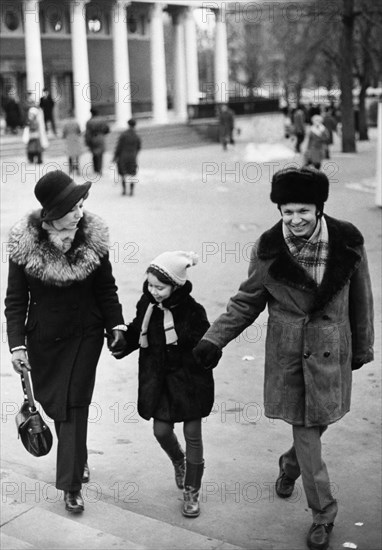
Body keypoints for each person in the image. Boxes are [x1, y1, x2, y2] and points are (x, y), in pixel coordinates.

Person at [193, 167, 374, 550]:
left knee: (318, 426)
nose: (295, 220)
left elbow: (362, 298)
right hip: (290, 356)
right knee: (308, 433)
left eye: (303, 211)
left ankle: (289, 466)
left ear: (319, 209)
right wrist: (214, 340)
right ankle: (323, 514)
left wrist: (362, 346)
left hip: (331, 349)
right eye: (287, 211)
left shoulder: (348, 242)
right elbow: (247, 302)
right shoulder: (268, 249)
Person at [4, 170, 126, 515]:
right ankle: (79, 458)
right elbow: (15, 301)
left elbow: (106, 289)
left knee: (74, 404)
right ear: (54, 213)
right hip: (44, 339)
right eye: (73, 206)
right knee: (59, 403)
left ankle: (70, 485)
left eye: (82, 203)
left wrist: (116, 324)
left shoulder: (93, 239)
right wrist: (17, 345)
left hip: (86, 334)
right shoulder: (23, 245)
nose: (81, 211)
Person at [113, 251, 214, 518]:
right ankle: (178, 460)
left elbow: (207, 341)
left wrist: (208, 353)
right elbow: (137, 331)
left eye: (160, 287)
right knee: (160, 431)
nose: (154, 291)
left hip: (189, 383)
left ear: (176, 285)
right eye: (150, 285)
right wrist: (123, 341)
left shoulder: (193, 311)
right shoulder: (146, 306)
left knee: (193, 435)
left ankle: (192, 490)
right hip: (159, 383)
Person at [112, 118, 142, 196]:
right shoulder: (136, 136)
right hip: (132, 156)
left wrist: (115, 157)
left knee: (123, 173)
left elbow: (119, 147)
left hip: (123, 156)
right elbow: (139, 147)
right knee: (132, 173)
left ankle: (124, 190)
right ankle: (131, 190)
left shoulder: (123, 135)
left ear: (128, 125)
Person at [85, 108, 110, 176]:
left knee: (94, 154)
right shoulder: (102, 120)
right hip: (101, 137)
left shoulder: (89, 122)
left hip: (93, 138)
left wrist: (87, 142)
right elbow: (107, 129)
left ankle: (96, 169)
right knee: (100, 154)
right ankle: (99, 169)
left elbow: (87, 133)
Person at [62, 111, 82, 177]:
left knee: (70, 155)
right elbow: (79, 131)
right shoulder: (76, 123)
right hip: (75, 138)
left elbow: (64, 133)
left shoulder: (66, 124)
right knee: (76, 155)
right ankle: (77, 169)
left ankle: (70, 169)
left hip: (69, 139)